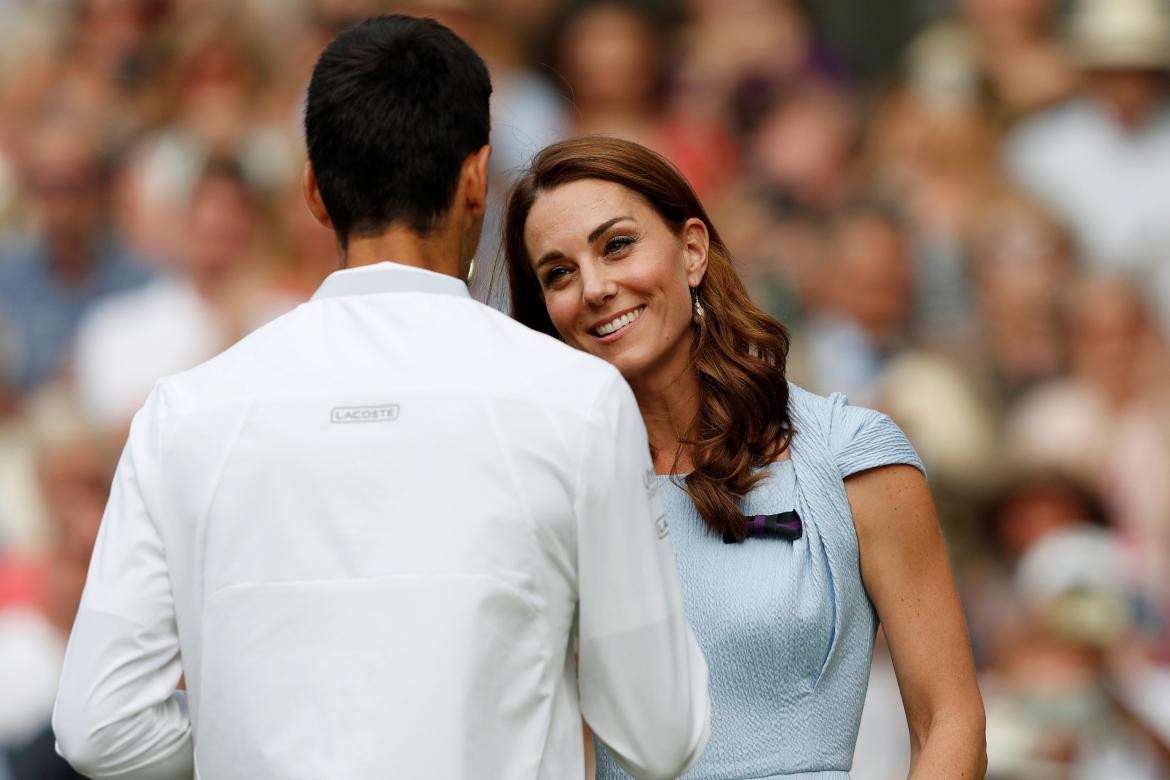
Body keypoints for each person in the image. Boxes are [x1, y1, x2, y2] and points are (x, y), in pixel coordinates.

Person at [51, 17, 710, 780]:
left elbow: (101, 723)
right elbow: (660, 734)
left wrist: (252, 732)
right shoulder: (578, 399)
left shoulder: (184, 412)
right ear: (476, 181)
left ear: (314, 194)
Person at [504, 135, 986, 779]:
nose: (594, 287)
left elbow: (950, 720)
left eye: (616, 245)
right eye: (558, 273)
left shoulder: (849, 452)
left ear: (693, 249)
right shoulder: (543, 486)